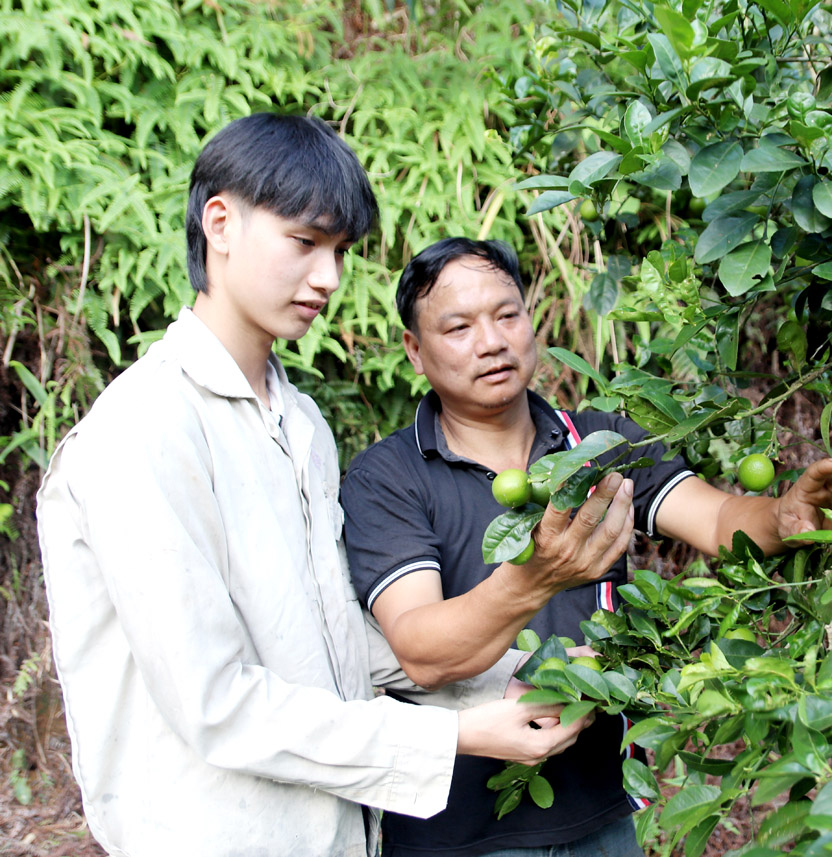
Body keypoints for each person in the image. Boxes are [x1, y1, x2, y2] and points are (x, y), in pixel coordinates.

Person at [35, 116, 630, 857]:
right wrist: (452, 732)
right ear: (219, 223)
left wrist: (510, 678)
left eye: (341, 251)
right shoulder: (144, 431)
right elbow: (216, 703)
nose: (329, 279)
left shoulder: (300, 423)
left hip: (334, 831)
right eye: (304, 243)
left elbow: (326, 641)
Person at [339, 237, 832, 857]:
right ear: (415, 349)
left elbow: (718, 520)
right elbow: (423, 651)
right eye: (459, 326)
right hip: (453, 831)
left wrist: (786, 516)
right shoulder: (387, 477)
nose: (491, 342)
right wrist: (538, 578)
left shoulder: (600, 443)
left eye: (507, 315)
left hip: (601, 813)